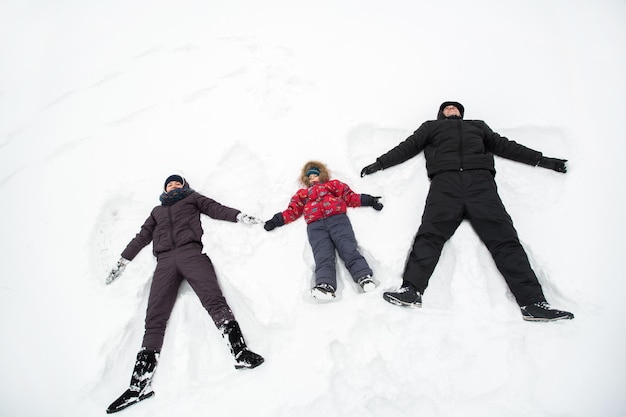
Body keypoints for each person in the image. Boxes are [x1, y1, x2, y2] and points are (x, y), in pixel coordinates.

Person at [360, 101, 574, 322]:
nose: (452, 109)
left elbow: (507, 146)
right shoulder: (431, 127)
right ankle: (411, 291)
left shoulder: (478, 126)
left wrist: (543, 160)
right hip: (445, 183)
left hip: (480, 184)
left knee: (504, 239)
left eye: (456, 107)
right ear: (441, 113)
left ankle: (533, 302)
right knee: (430, 234)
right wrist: (380, 163)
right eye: (448, 107)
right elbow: (408, 146)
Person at [105, 174, 265, 414]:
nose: (172, 185)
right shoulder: (157, 211)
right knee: (155, 318)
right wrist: (123, 260)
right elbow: (141, 237)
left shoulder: (192, 198)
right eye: (169, 184)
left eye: (177, 183)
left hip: (191, 253)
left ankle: (240, 352)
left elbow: (215, 208)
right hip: (165, 261)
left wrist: (239, 215)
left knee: (214, 301)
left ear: (184, 186)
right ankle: (138, 385)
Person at [264, 161, 383, 300]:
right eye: (309, 177)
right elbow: (293, 210)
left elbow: (350, 196)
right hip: (316, 227)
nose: (312, 178)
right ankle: (325, 285)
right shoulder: (303, 194)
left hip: (338, 220)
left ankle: (364, 277)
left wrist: (370, 200)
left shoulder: (332, 185)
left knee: (348, 248)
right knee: (323, 255)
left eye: (315, 175)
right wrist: (275, 221)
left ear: (322, 175)